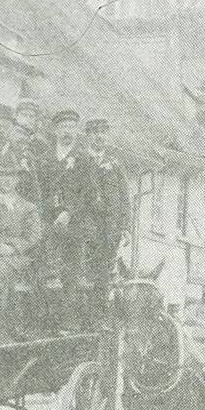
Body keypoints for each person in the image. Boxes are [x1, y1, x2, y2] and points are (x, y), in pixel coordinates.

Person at [34, 108, 87, 333]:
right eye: (63, 128)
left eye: (72, 128)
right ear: (55, 131)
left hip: (73, 223)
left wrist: (69, 213)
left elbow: (87, 193)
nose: (67, 132)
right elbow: (37, 192)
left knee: (71, 270)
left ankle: (67, 318)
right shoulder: (44, 159)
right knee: (38, 262)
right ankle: (41, 317)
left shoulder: (84, 160)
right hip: (47, 220)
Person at [80, 118, 131, 328]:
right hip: (86, 228)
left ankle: (98, 319)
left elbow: (124, 198)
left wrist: (125, 227)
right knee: (83, 274)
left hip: (109, 230)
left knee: (104, 276)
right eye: (95, 132)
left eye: (103, 132)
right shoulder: (81, 161)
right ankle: (81, 317)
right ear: (88, 136)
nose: (99, 136)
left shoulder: (115, 165)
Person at [0, 162, 42, 343]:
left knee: (0, 269)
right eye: (3, 176)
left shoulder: (28, 207)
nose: (7, 180)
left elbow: (34, 236)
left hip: (17, 257)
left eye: (11, 176)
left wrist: (12, 247)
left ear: (17, 180)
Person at [0, 104, 41, 203]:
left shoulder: (24, 155)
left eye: (5, 126)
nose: (1, 131)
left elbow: (34, 193)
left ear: (13, 127)